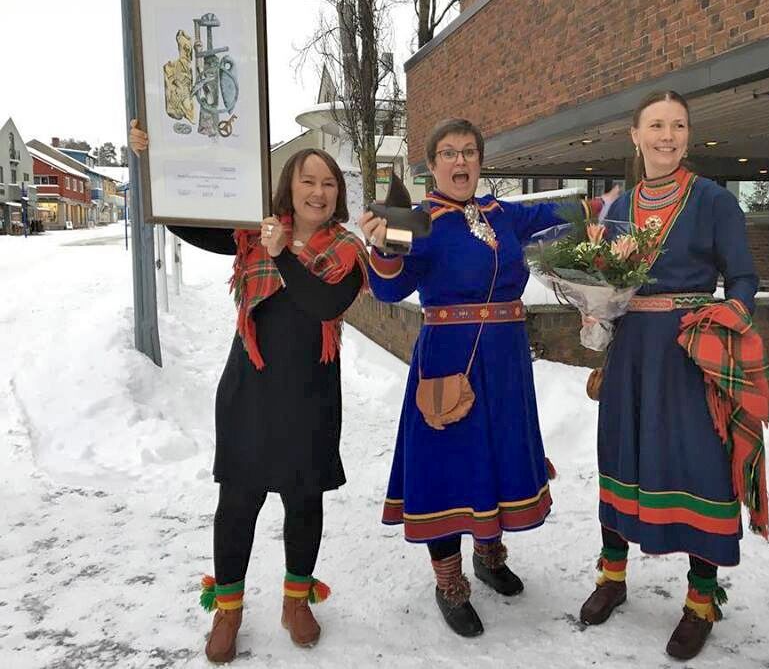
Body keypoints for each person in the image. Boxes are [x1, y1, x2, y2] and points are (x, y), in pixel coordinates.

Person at [359, 118, 620, 637]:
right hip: (449, 362)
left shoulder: (503, 215)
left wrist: (607, 205)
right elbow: (388, 290)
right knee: (449, 463)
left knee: (496, 455)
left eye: (470, 153)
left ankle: (487, 553)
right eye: (449, 154)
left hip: (504, 363)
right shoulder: (418, 220)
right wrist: (384, 248)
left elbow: (556, 212)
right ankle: (449, 580)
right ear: (431, 165)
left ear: (480, 161)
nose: (461, 162)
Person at [129, 121, 368, 663]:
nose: (318, 192)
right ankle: (229, 608)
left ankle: (295, 600)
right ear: (290, 186)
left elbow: (323, 306)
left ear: (339, 195)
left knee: (304, 500)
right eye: (308, 180)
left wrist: (285, 254)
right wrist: (152, 161)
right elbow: (184, 218)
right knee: (238, 502)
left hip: (311, 397)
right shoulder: (251, 231)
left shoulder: (348, 251)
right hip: (249, 391)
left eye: (328, 183)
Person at [577, 91, 769, 660]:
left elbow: (743, 278)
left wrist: (731, 313)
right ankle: (612, 577)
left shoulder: (714, 202)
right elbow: (607, 281)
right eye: (656, 126)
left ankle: (700, 602)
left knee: (698, 466)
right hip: (630, 356)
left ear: (688, 136)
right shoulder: (616, 209)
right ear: (635, 136)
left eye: (678, 126)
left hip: (689, 355)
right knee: (620, 454)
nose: (667, 136)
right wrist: (593, 304)